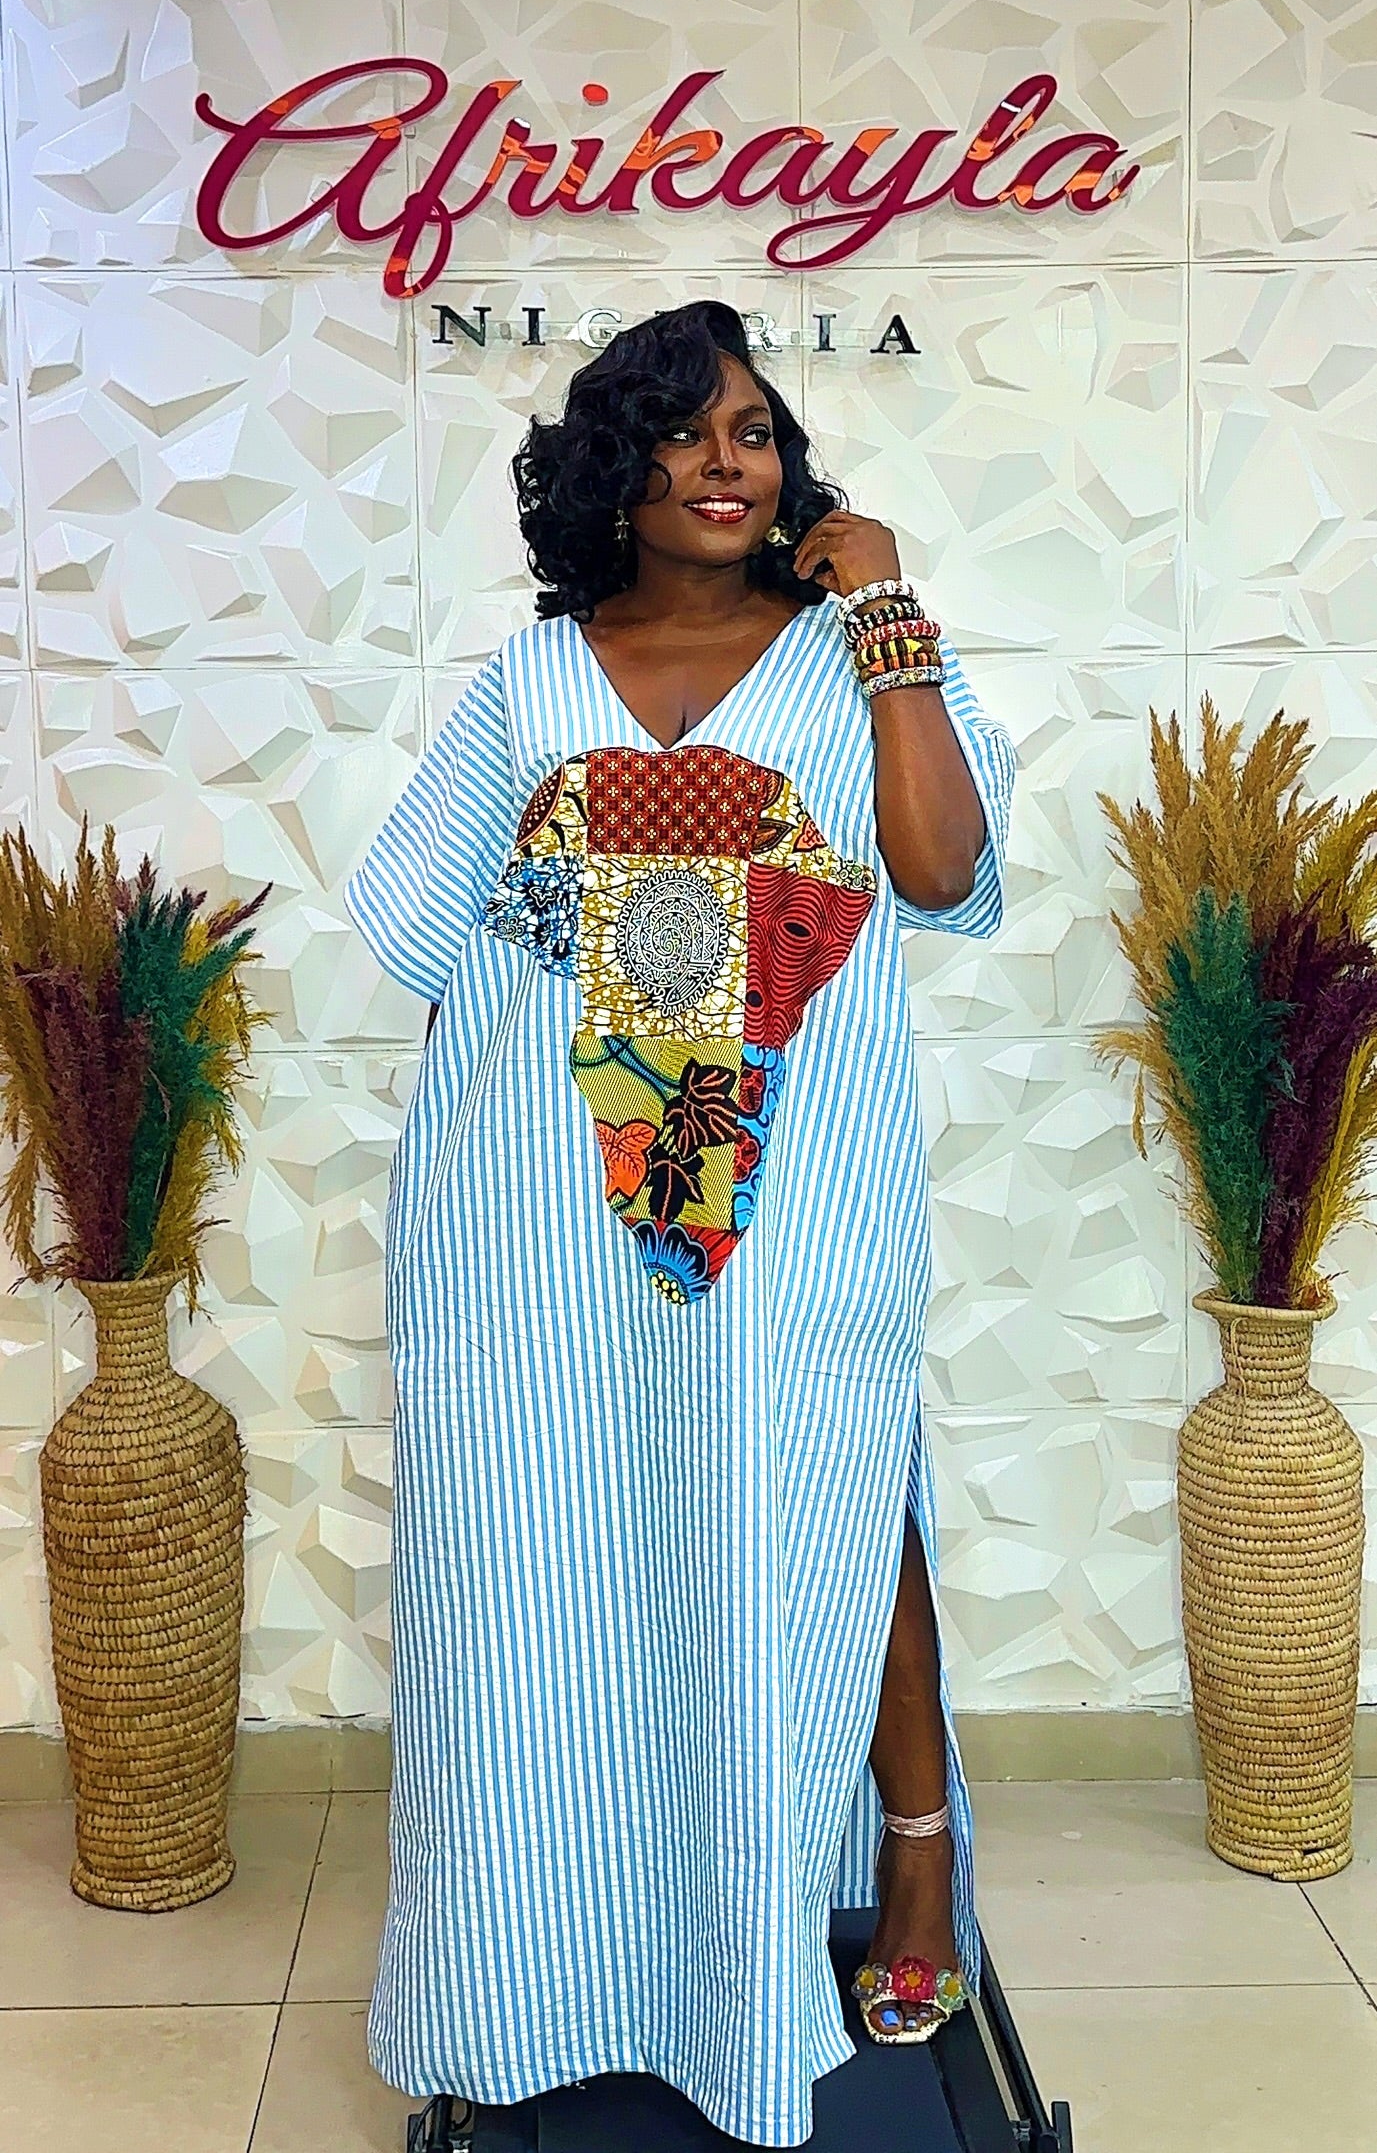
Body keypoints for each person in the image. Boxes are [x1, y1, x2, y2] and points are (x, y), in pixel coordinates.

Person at [344, 299, 1015, 2147]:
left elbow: (939, 869)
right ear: (607, 468)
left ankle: (910, 1857)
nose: (726, 462)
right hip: (535, 1208)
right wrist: (473, 1205)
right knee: (544, 1563)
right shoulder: (528, 680)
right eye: (680, 430)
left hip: (802, 1187)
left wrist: (886, 615)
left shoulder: (848, 655)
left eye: (753, 431)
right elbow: (439, 951)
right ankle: (537, 1956)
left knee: (828, 1495)